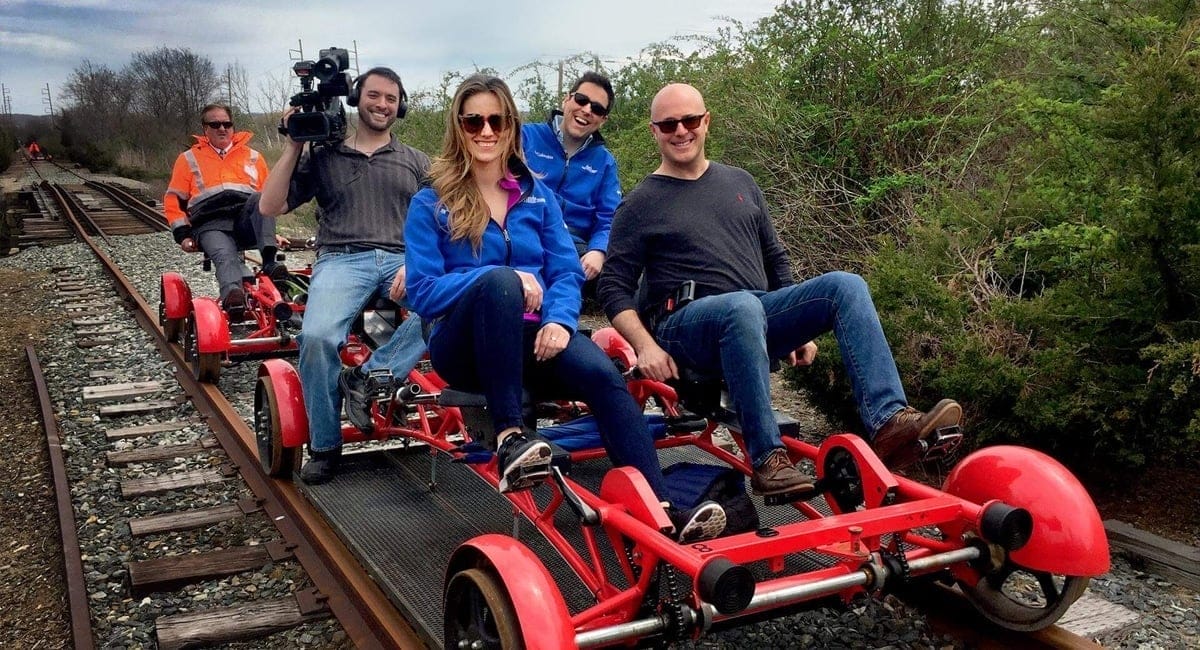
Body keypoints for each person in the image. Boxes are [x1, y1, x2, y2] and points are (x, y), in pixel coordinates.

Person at [597, 83, 962, 500]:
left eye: (690, 120)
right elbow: (613, 287)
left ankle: (890, 421)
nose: (681, 131)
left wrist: (799, 329)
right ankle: (767, 458)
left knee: (845, 285)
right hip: (685, 328)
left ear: (706, 122)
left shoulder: (740, 182)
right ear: (654, 132)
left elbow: (776, 259)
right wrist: (645, 347)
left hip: (752, 313)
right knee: (741, 307)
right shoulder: (641, 202)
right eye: (668, 124)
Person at [405, 74, 725, 543]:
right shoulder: (432, 202)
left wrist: (557, 320)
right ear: (459, 127)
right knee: (497, 280)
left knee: (604, 377)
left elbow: (566, 272)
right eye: (474, 121)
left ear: (511, 126)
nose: (486, 131)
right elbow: (423, 292)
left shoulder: (537, 195)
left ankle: (660, 513)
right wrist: (504, 279)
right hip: (464, 348)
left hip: (532, 340)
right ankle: (510, 436)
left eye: (496, 120)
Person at [259, 67, 430, 485]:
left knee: (453, 306)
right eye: (374, 95)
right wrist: (293, 146)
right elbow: (270, 205)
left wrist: (419, 260)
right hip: (341, 258)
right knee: (316, 338)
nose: (382, 105)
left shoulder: (416, 161)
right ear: (357, 99)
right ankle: (325, 445)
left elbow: (446, 217)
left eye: (391, 98)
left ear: (400, 105)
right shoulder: (323, 155)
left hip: (402, 260)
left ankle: (368, 376)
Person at [164, 103, 284, 319]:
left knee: (261, 198)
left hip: (244, 220)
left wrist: (270, 232)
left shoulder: (253, 157)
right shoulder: (189, 159)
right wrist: (182, 234)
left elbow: (269, 199)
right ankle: (233, 298)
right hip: (210, 224)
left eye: (227, 124)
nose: (222, 128)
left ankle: (270, 263)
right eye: (215, 124)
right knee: (224, 255)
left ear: (233, 127)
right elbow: (174, 200)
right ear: (205, 129)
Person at [520, 71, 620, 298]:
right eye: (581, 100)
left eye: (597, 108)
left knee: (625, 279)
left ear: (603, 119)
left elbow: (610, 217)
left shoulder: (605, 163)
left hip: (575, 248)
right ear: (567, 99)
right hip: (526, 236)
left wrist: (599, 250)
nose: (586, 110)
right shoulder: (525, 137)